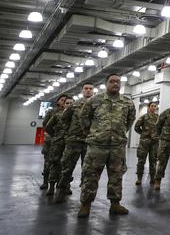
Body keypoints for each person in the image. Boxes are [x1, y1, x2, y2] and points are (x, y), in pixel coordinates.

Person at [77, 74, 136, 218]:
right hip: (97, 146)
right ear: (106, 83)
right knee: (90, 176)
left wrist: (118, 133)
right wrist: (94, 133)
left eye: (117, 81)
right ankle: (86, 205)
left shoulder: (127, 103)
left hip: (117, 146)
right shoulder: (94, 100)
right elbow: (84, 118)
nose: (115, 84)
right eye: (112, 81)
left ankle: (115, 204)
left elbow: (130, 120)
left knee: (116, 176)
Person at [55, 82, 94, 203]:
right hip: (74, 142)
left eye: (90, 89)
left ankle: (85, 196)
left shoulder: (97, 105)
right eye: (86, 88)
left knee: (88, 170)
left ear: (93, 91)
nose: (88, 90)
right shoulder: (74, 105)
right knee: (67, 168)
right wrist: (70, 133)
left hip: (89, 142)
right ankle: (61, 190)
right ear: (82, 91)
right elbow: (63, 119)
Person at [43, 94, 72, 196]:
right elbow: (47, 126)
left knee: (67, 165)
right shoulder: (55, 114)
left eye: (68, 102)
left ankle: (66, 185)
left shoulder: (74, 115)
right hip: (57, 142)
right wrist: (54, 135)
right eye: (64, 102)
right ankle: (51, 186)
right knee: (54, 163)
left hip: (69, 142)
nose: (66, 104)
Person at [134, 101, 159, 186]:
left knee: (153, 161)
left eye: (155, 106)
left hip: (154, 143)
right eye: (152, 106)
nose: (153, 107)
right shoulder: (144, 117)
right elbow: (136, 127)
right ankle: (139, 178)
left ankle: (152, 178)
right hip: (144, 143)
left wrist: (157, 136)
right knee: (141, 160)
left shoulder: (158, 118)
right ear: (148, 107)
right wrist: (143, 133)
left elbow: (161, 128)